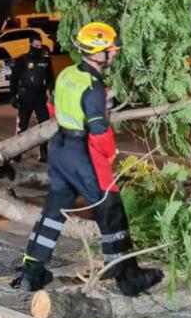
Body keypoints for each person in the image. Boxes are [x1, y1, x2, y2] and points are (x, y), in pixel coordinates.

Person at [12, 22, 164, 297]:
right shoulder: (93, 87)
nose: (115, 52)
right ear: (97, 53)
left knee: (55, 208)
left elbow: (52, 106)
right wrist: (108, 153)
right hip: (83, 152)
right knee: (111, 209)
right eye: (110, 48)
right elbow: (99, 129)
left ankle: (32, 271)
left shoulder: (68, 74)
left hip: (59, 149)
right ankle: (127, 278)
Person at [10, 33, 53, 162]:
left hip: (40, 96)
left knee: (44, 125)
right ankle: (17, 153)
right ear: (30, 44)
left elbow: (50, 78)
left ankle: (44, 152)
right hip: (25, 97)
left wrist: (53, 92)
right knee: (22, 126)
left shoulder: (45, 60)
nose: (38, 47)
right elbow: (14, 79)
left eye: (40, 45)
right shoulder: (22, 60)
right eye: (36, 45)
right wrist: (13, 96)